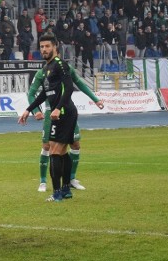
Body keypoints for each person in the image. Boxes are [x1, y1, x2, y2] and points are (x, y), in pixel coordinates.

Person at [26, 52, 104, 192]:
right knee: (47, 146)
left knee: (75, 144)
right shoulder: (41, 73)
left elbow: (79, 83)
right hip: (52, 113)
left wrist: (95, 99)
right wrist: (35, 111)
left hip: (67, 112)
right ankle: (43, 182)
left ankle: (71, 179)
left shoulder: (67, 69)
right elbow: (31, 94)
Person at [18, 32, 80, 202]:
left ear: (55, 47)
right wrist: (28, 110)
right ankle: (66, 190)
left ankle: (57, 193)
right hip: (59, 114)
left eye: (47, 46)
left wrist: (58, 108)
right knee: (61, 151)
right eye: (42, 47)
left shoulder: (60, 65)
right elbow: (44, 94)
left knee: (54, 150)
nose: (44, 49)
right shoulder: (46, 69)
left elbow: (69, 88)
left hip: (65, 113)